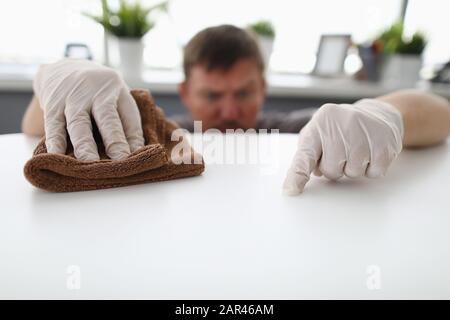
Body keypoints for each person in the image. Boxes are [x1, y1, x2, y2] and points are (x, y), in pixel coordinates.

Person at [21, 25, 450, 195]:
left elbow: (439, 113)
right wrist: (56, 78)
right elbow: (33, 128)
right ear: (186, 92)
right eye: (212, 95)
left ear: (263, 89)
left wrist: (385, 112)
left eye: (243, 93)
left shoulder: (295, 132)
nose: (229, 109)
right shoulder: (157, 138)